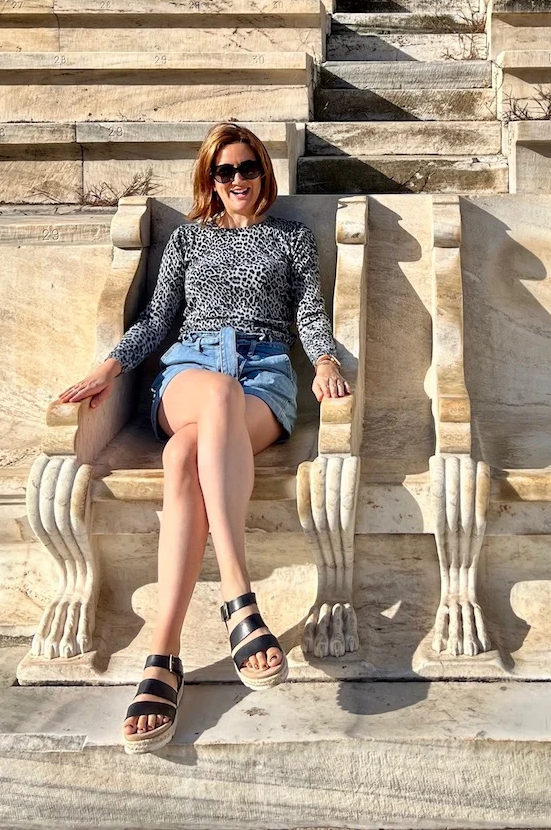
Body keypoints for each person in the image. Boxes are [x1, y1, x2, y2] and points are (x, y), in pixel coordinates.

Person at [55, 121, 350, 755]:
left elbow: (309, 315)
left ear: (263, 173)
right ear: (209, 181)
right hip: (189, 373)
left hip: (263, 380)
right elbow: (157, 322)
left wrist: (324, 361)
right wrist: (107, 368)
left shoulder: (290, 240)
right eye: (225, 171)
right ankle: (240, 598)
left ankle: (163, 655)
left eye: (248, 168)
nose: (237, 180)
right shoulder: (187, 242)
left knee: (183, 454)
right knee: (210, 395)